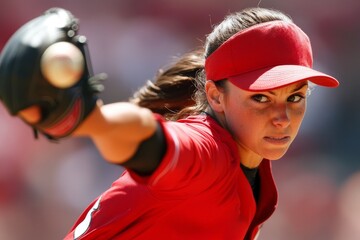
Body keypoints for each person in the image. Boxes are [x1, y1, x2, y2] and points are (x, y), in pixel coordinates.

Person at [0, 6, 339, 240]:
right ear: (216, 95)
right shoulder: (209, 155)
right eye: (261, 97)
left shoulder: (253, 177)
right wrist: (94, 121)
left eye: (295, 97)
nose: (282, 118)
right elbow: (147, 138)